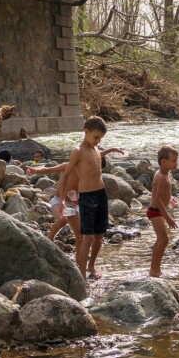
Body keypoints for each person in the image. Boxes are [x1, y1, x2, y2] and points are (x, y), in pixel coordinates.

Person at [28, 143, 125, 275]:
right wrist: (36, 171)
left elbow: (96, 156)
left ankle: (80, 265)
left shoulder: (86, 174)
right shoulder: (69, 166)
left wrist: (111, 150)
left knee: (80, 236)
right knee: (63, 221)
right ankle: (49, 240)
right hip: (59, 201)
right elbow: (50, 169)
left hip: (74, 204)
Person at [57, 116, 112, 281]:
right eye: (96, 137)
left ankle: (91, 266)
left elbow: (94, 158)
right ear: (86, 132)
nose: (98, 141)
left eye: (100, 138)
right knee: (86, 237)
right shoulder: (77, 152)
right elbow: (65, 175)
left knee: (100, 235)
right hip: (87, 197)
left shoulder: (95, 149)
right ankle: (81, 277)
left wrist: (111, 150)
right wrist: (61, 200)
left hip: (101, 194)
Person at [147, 145, 179, 277]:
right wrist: (168, 218)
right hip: (155, 211)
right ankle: (155, 270)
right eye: (174, 161)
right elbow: (158, 199)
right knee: (164, 240)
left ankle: (153, 269)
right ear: (163, 162)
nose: (176, 164)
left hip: (158, 211)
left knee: (160, 240)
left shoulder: (165, 174)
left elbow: (163, 195)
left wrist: (170, 200)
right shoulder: (161, 177)